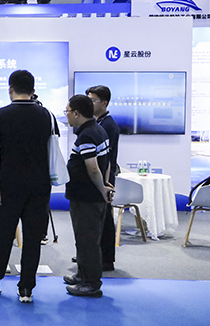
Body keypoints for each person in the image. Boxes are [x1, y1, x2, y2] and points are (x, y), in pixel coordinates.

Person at [0, 70, 55, 303]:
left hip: (10, 184)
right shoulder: (46, 115)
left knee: (4, 235)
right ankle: (26, 288)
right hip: (40, 184)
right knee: (33, 238)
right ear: (33, 89)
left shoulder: (1, 115)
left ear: (10, 89)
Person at [63, 95, 114, 298]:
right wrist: (106, 184)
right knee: (84, 238)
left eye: (67, 111)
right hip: (90, 196)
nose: (66, 115)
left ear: (76, 113)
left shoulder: (87, 135)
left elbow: (93, 168)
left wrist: (102, 188)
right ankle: (82, 275)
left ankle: (91, 283)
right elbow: (107, 162)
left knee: (88, 241)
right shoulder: (98, 130)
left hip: (87, 197)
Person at [87, 85, 120, 272]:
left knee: (104, 219)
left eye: (93, 100)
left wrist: (104, 182)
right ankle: (92, 254)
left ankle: (106, 259)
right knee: (95, 219)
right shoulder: (98, 122)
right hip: (98, 177)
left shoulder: (108, 125)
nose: (89, 104)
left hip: (104, 177)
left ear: (105, 103)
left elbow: (106, 158)